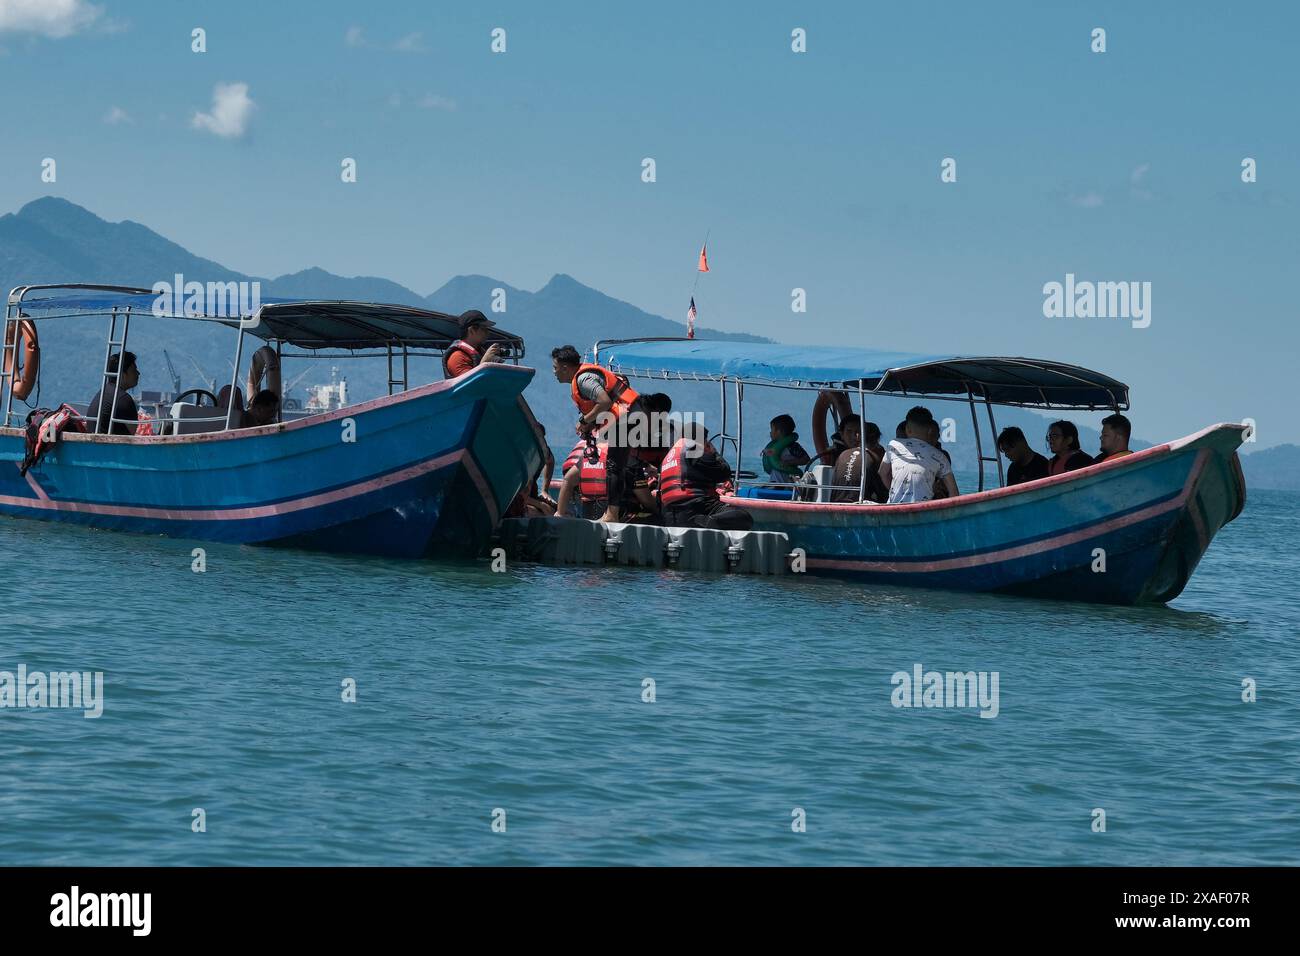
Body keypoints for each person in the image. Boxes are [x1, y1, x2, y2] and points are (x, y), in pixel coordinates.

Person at [551, 345, 642, 522]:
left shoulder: (584, 379)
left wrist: (585, 421)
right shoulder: (581, 380)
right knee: (612, 467)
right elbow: (602, 407)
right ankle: (563, 514)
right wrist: (588, 423)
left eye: (555, 368)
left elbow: (605, 401)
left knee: (614, 467)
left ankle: (612, 515)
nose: (554, 372)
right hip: (624, 421)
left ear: (565, 367)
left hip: (629, 418)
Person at [659, 424, 753, 530]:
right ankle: (703, 523)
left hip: (670, 515)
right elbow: (724, 472)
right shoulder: (693, 450)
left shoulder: (667, 458)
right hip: (696, 509)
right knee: (743, 517)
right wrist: (714, 452)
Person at [879, 406, 958, 504]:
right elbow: (953, 491)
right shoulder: (940, 456)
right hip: (923, 508)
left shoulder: (893, 445)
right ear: (930, 431)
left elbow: (882, 473)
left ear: (907, 429)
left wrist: (894, 491)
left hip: (894, 506)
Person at [831, 415, 887, 503]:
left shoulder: (842, 455)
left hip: (836, 504)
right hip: (858, 506)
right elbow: (881, 491)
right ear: (877, 441)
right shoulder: (872, 457)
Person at [86, 351, 140, 435]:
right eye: (134, 370)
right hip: (113, 446)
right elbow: (133, 433)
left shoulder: (103, 393)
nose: (138, 373)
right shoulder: (123, 399)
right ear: (122, 375)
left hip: (96, 445)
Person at [443, 310, 502, 378]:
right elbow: (469, 384)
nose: (487, 332)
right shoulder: (457, 357)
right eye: (483, 328)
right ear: (472, 330)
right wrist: (485, 363)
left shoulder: (481, 352)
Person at [761, 414, 812, 483]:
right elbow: (774, 454)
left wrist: (788, 462)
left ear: (778, 432)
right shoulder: (773, 446)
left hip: (787, 484)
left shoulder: (792, 446)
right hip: (775, 483)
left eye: (772, 429)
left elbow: (806, 459)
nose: (770, 432)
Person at [923, 418, 954, 499]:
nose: (930, 438)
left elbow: (945, 481)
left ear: (938, 436)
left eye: (933, 435)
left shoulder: (942, 456)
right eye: (928, 435)